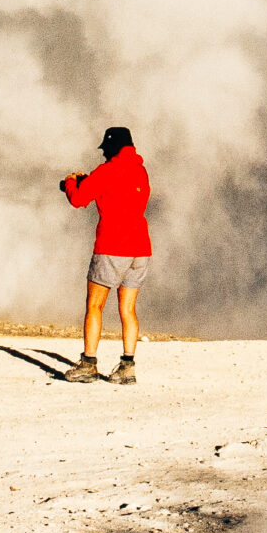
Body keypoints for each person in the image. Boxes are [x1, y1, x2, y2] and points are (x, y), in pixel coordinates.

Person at [58, 125, 150, 384]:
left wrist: (71, 182)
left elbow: (78, 199)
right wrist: (92, 180)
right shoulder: (141, 171)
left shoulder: (106, 171)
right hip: (140, 249)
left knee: (95, 306)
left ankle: (88, 364)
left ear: (111, 148)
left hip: (112, 245)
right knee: (128, 309)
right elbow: (122, 191)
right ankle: (127, 367)